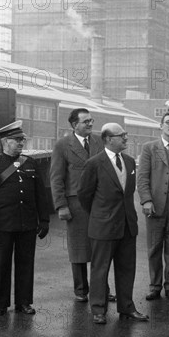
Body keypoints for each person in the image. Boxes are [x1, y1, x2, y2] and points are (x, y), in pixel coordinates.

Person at [0, 121, 50, 316]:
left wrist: (44, 219)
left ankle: (23, 302)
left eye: (22, 140)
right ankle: (0, 304)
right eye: (17, 140)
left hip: (26, 223)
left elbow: (41, 195)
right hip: (3, 225)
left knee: (26, 263)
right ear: (5, 142)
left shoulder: (31, 163)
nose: (21, 143)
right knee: (2, 265)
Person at [78, 123, 148, 324]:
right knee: (100, 269)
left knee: (127, 268)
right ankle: (98, 309)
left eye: (125, 135)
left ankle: (126, 307)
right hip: (103, 226)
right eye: (122, 136)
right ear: (108, 139)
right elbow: (84, 195)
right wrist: (100, 215)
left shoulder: (128, 161)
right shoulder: (94, 163)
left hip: (127, 225)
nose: (126, 139)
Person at [50, 108, 115, 303]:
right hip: (75, 204)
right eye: (85, 121)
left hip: (99, 203)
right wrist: (61, 205)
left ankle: (102, 289)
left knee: (100, 247)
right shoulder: (62, 145)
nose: (90, 124)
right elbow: (56, 178)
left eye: (91, 120)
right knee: (78, 248)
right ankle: (81, 289)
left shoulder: (98, 142)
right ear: (74, 125)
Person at [137, 112, 169, 301]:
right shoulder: (149, 148)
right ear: (161, 126)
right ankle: (154, 286)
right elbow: (142, 178)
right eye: (168, 123)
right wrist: (146, 200)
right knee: (154, 248)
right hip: (155, 206)